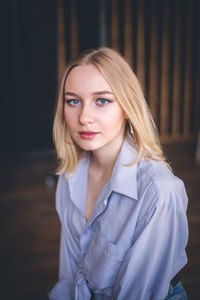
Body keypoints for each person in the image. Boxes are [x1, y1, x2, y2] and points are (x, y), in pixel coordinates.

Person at [48, 47, 188, 299]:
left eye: (102, 100)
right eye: (73, 101)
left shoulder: (158, 190)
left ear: (126, 107)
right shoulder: (70, 174)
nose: (84, 117)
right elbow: (69, 273)